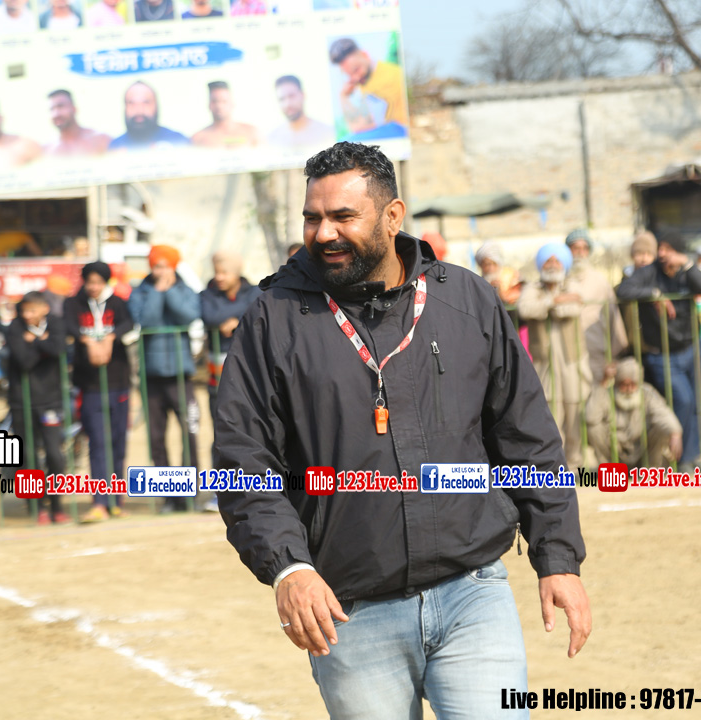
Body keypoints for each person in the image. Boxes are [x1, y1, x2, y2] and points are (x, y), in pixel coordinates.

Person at [214, 142, 589, 719]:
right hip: (348, 611)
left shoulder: (465, 298)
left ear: (393, 216)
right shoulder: (273, 319)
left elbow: (526, 436)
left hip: (473, 592)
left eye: (343, 216)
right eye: (313, 218)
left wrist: (556, 554)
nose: (324, 233)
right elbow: (245, 460)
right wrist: (288, 567)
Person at [616, 231, 701, 473]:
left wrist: (687, 265)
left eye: (668, 249)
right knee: (683, 400)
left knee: (698, 405)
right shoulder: (650, 273)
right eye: (660, 249)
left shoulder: (686, 271)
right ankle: (680, 460)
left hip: (691, 347)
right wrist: (654, 294)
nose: (662, 254)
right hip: (662, 354)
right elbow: (623, 290)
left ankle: (691, 456)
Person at [128, 245, 202, 513]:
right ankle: (168, 496)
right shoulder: (140, 291)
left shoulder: (185, 289)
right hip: (151, 374)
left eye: (165, 266)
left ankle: (189, 493)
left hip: (181, 374)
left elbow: (189, 315)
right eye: (156, 266)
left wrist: (169, 291)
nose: (160, 271)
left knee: (189, 433)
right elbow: (145, 320)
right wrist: (158, 292)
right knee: (156, 438)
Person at [64, 262, 134, 522]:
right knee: (97, 441)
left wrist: (110, 338)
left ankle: (117, 500)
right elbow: (68, 326)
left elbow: (128, 323)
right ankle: (99, 501)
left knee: (118, 441)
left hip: (118, 380)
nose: (93, 287)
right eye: (89, 282)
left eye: (98, 282)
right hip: (89, 383)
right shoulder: (74, 304)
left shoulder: (117, 303)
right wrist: (87, 341)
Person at [517, 243, 592, 468]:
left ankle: (575, 464)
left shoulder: (572, 284)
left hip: (572, 362)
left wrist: (548, 307)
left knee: (575, 413)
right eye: (548, 261)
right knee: (550, 415)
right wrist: (553, 301)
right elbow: (525, 309)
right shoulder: (533, 288)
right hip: (545, 364)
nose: (552, 265)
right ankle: (556, 466)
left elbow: (572, 308)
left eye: (556, 260)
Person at [6, 292, 70, 524]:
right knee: (27, 455)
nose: (27, 315)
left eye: (32, 310)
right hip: (21, 401)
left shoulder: (56, 323)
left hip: (50, 400)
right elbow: (24, 361)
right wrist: (43, 343)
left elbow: (59, 349)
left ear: (44, 309)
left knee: (54, 454)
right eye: (24, 310)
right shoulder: (14, 328)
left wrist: (34, 342)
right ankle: (37, 507)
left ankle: (57, 506)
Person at [585, 358, 682, 468]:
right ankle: (610, 469)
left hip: (642, 451)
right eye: (624, 384)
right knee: (593, 429)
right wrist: (603, 383)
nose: (629, 389)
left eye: (633, 384)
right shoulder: (607, 394)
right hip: (615, 451)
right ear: (617, 383)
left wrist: (675, 433)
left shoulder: (647, 393)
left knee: (663, 429)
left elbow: (663, 414)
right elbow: (590, 418)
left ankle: (651, 470)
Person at [199, 250, 260, 425]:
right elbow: (210, 316)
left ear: (237, 273)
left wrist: (238, 321)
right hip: (217, 371)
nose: (219, 277)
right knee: (219, 418)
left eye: (224, 273)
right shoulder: (207, 294)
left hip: (248, 369)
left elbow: (258, 312)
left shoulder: (255, 292)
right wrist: (243, 315)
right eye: (216, 272)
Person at [565, 228, 628, 384]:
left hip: (596, 348)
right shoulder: (561, 280)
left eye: (584, 248)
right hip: (567, 353)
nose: (580, 253)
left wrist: (614, 354)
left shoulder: (600, 281)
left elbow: (613, 316)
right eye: (575, 248)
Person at [328, 37, 408, 139]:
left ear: (365, 55)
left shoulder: (395, 75)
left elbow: (361, 128)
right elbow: (357, 127)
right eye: (350, 74)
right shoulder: (362, 83)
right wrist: (343, 96)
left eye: (356, 70)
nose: (355, 78)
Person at [108, 82, 189, 151]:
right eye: (131, 103)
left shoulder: (178, 141)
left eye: (146, 102)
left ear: (156, 106)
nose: (139, 110)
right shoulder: (114, 148)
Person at [267, 76, 335, 150]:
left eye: (291, 96)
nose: (287, 104)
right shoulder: (272, 140)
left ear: (303, 95)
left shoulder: (327, 134)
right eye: (281, 99)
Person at [191, 82, 260, 149]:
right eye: (214, 101)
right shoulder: (198, 138)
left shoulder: (252, 133)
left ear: (232, 104)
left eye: (224, 101)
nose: (219, 106)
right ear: (209, 105)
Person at [43, 90, 111, 156]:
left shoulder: (100, 140)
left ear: (74, 109)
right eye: (52, 109)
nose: (56, 114)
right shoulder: (47, 151)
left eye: (60, 106)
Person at [474, 241, 521, 306]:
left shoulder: (512, 277)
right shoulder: (477, 283)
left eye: (494, 264)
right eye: (487, 265)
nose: (491, 268)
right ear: (481, 265)